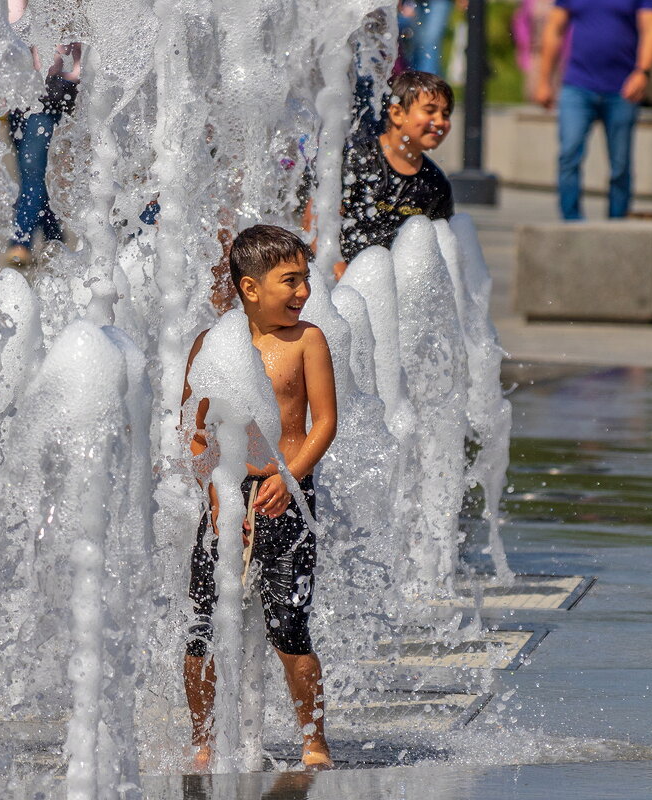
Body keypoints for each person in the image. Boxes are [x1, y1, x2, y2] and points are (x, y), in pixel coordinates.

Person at [181, 225, 338, 771]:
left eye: (304, 280)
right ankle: (203, 740)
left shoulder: (308, 341)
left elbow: (325, 423)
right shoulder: (214, 345)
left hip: (289, 497)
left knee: (288, 627)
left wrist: (288, 477)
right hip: (226, 499)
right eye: (289, 281)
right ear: (250, 288)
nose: (302, 292)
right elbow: (193, 431)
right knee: (201, 625)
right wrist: (214, 489)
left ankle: (313, 739)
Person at [534, 0, 652, 221]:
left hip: (623, 89)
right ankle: (572, 223)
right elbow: (554, 27)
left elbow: (651, 27)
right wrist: (544, 80)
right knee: (569, 155)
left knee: (620, 165)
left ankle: (617, 224)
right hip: (577, 85)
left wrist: (642, 72)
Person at [337, 70, 455, 279]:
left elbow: (442, 248)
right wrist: (336, 265)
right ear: (397, 113)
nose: (439, 121)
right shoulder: (358, 161)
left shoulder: (435, 184)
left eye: (445, 114)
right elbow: (319, 217)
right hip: (345, 279)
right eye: (430, 111)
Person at [4, 0, 81, 268]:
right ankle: (52, 235)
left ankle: (20, 241)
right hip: (17, 97)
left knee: (32, 169)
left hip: (49, 96)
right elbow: (10, 31)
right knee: (31, 171)